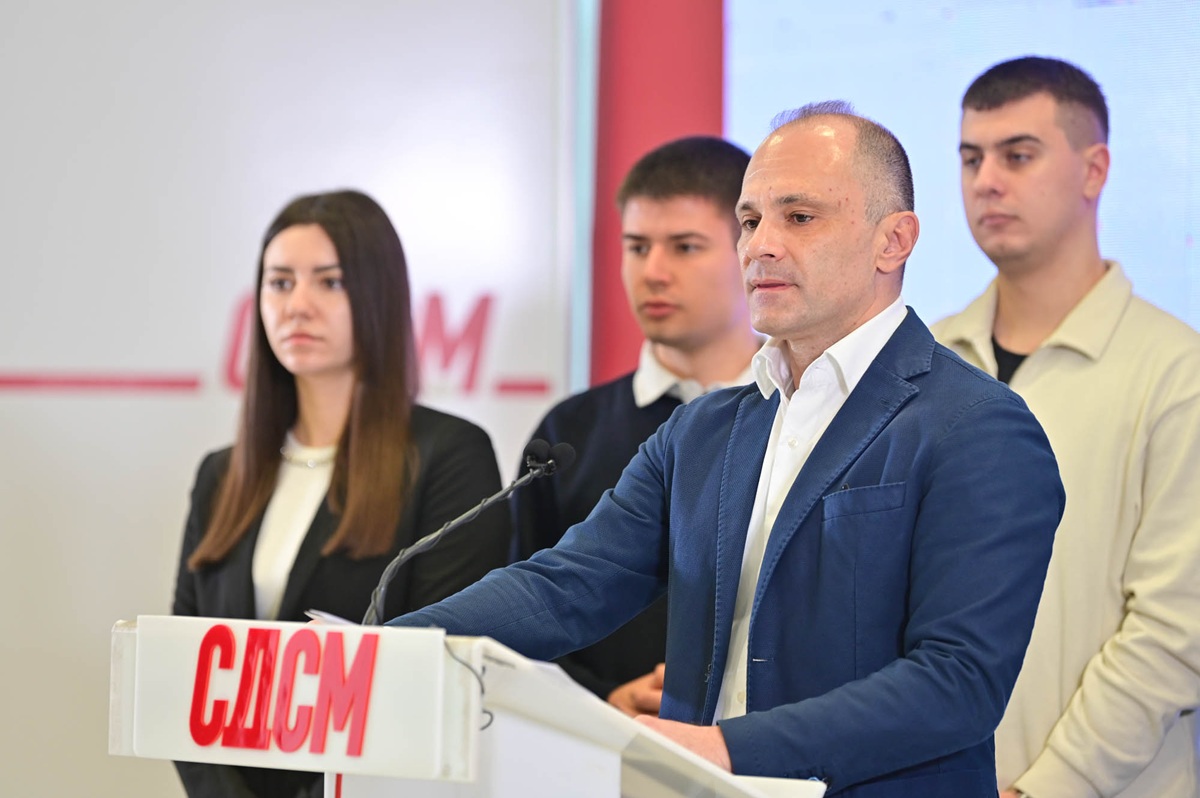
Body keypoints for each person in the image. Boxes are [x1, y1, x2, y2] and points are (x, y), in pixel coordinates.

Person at [389, 102, 1065, 797]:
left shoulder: (978, 427)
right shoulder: (701, 430)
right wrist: (381, 654)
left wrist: (728, 749)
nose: (760, 245)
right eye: (748, 221)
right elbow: (566, 586)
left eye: (799, 217)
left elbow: (958, 682)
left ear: (893, 241)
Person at [171, 189, 511, 798]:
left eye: (329, 282)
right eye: (280, 283)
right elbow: (184, 672)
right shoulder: (221, 475)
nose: (297, 305)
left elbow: (438, 676)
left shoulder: (449, 457)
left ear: (379, 297)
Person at [933, 56, 1200, 798]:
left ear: (1094, 170)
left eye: (1018, 155)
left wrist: (1051, 786)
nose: (987, 181)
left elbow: (1176, 628)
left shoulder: (1178, 372)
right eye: (971, 158)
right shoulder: (919, 361)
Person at [513, 135, 760, 716]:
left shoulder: (803, 415)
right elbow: (523, 608)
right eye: (637, 246)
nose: (653, 272)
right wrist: (600, 702)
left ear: (751, 247)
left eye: (685, 247)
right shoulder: (568, 432)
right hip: (591, 746)